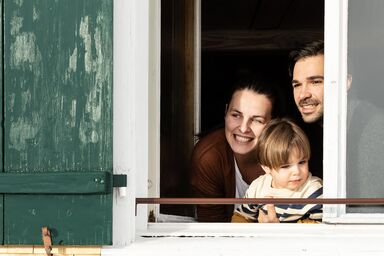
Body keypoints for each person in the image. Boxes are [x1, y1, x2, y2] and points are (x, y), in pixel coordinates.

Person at [288, 40, 384, 213]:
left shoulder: (372, 128)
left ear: (345, 82)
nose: (303, 94)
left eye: (315, 82)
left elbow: (368, 215)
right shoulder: (306, 130)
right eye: (297, 85)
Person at [190, 77, 281, 222]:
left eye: (257, 120)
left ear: (273, 124)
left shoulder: (288, 157)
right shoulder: (209, 156)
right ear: (226, 112)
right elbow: (212, 231)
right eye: (236, 115)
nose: (244, 128)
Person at [231, 118, 323, 223]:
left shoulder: (314, 191)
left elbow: (320, 231)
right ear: (266, 167)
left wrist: (278, 230)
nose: (297, 171)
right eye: (285, 166)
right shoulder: (258, 188)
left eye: (302, 162)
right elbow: (241, 217)